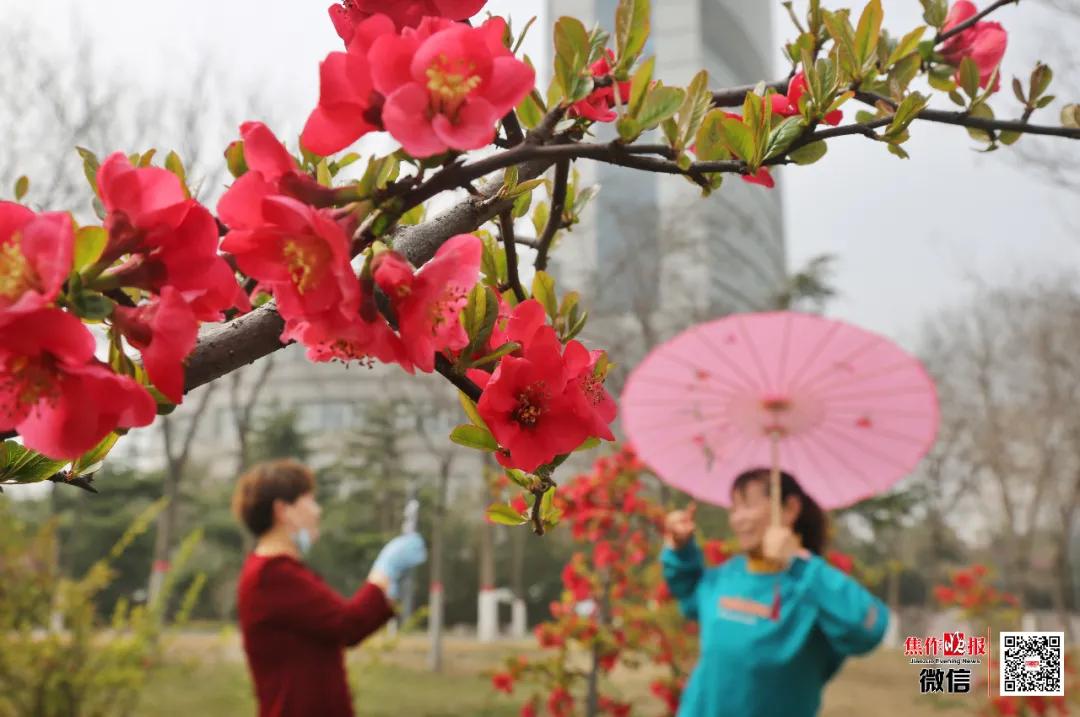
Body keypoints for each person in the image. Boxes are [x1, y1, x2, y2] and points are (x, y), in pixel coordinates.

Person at [662, 468, 888, 717]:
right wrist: (681, 552)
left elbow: (866, 630)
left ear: (790, 509)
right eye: (734, 508)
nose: (737, 519)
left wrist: (798, 563)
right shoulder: (728, 575)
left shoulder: (812, 586)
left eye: (747, 505)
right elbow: (691, 596)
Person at [232, 459, 427, 717]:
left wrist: (388, 586)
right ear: (283, 510)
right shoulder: (273, 574)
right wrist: (385, 569)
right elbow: (348, 624)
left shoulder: (274, 571)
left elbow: (333, 625)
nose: (317, 511)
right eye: (310, 500)